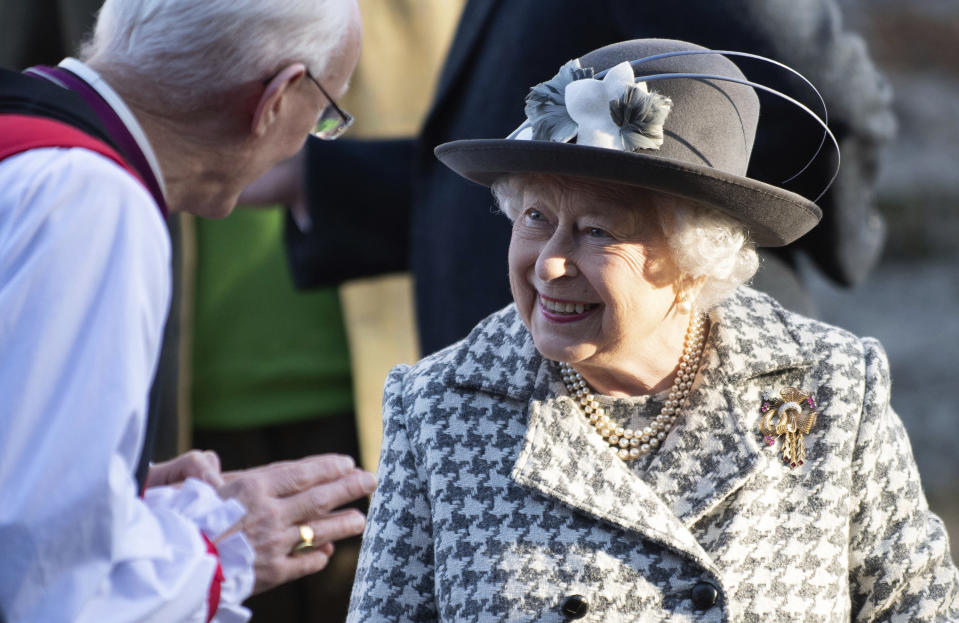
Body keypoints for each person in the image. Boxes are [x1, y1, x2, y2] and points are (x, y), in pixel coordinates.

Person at [347, 39, 959, 621]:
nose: (550, 263)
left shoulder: (830, 384)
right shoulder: (439, 406)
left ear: (698, 259)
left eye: (597, 231)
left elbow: (916, 608)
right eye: (536, 217)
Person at [0, 0, 377, 621]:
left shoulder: (27, 127)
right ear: (276, 98)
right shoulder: (94, 202)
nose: (306, 143)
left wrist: (120, 496)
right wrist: (224, 548)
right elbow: (55, 590)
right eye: (325, 117)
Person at [277, 0, 895, 356]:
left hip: (665, 367)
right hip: (532, 382)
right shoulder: (434, 409)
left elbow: (828, 102)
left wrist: (720, 215)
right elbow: (526, 164)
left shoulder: (842, 389)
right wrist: (325, 182)